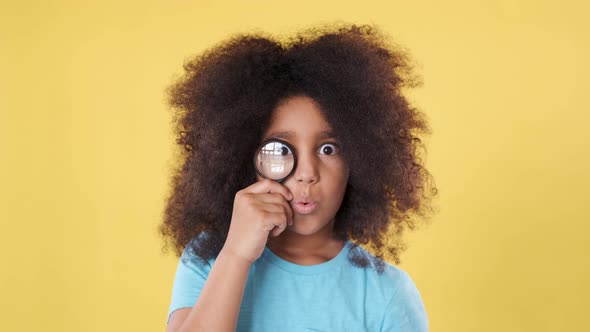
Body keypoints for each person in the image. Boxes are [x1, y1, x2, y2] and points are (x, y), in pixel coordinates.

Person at [160, 23, 438, 332]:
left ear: (359, 159)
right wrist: (236, 254)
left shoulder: (386, 293)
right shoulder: (210, 259)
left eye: (328, 149)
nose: (306, 174)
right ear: (243, 157)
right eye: (281, 149)